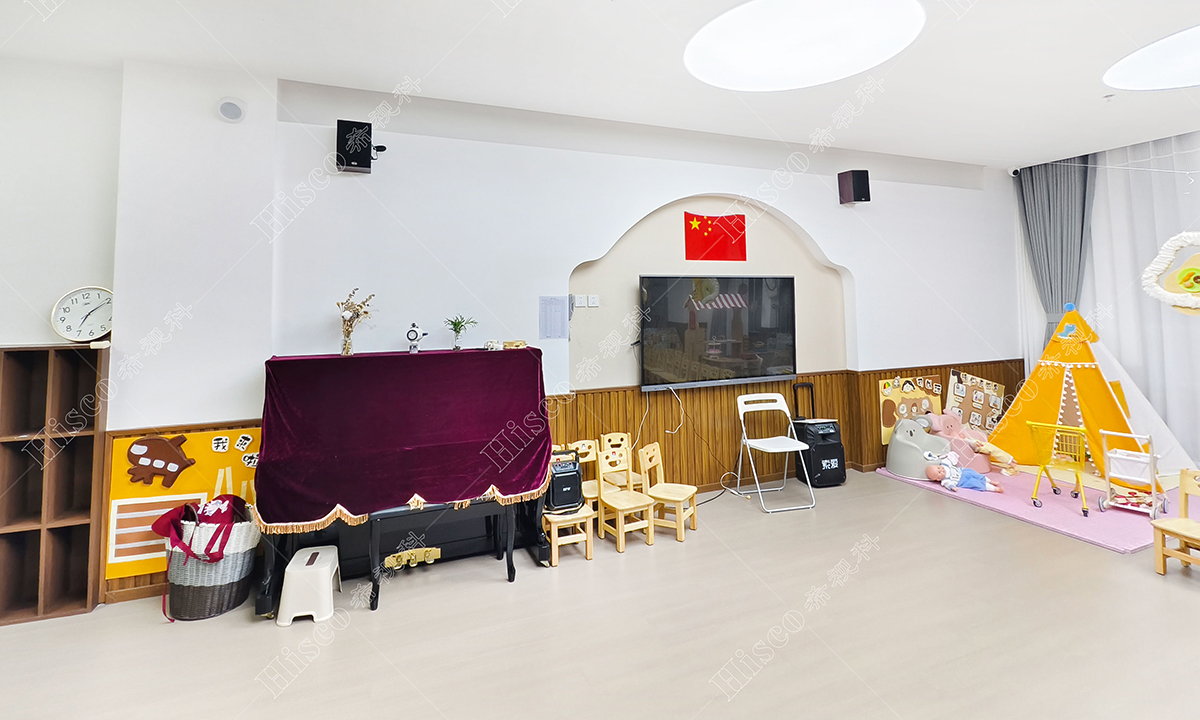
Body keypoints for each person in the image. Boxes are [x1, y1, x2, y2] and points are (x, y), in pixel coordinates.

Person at [923, 452, 1004, 493]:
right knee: (975, 483)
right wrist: (952, 487)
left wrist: (946, 455)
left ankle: (990, 481)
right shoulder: (945, 480)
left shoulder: (944, 464)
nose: (941, 470)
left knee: (975, 474)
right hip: (962, 481)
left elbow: (947, 458)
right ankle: (994, 489)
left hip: (962, 471)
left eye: (938, 468)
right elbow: (949, 485)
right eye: (939, 472)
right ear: (938, 479)